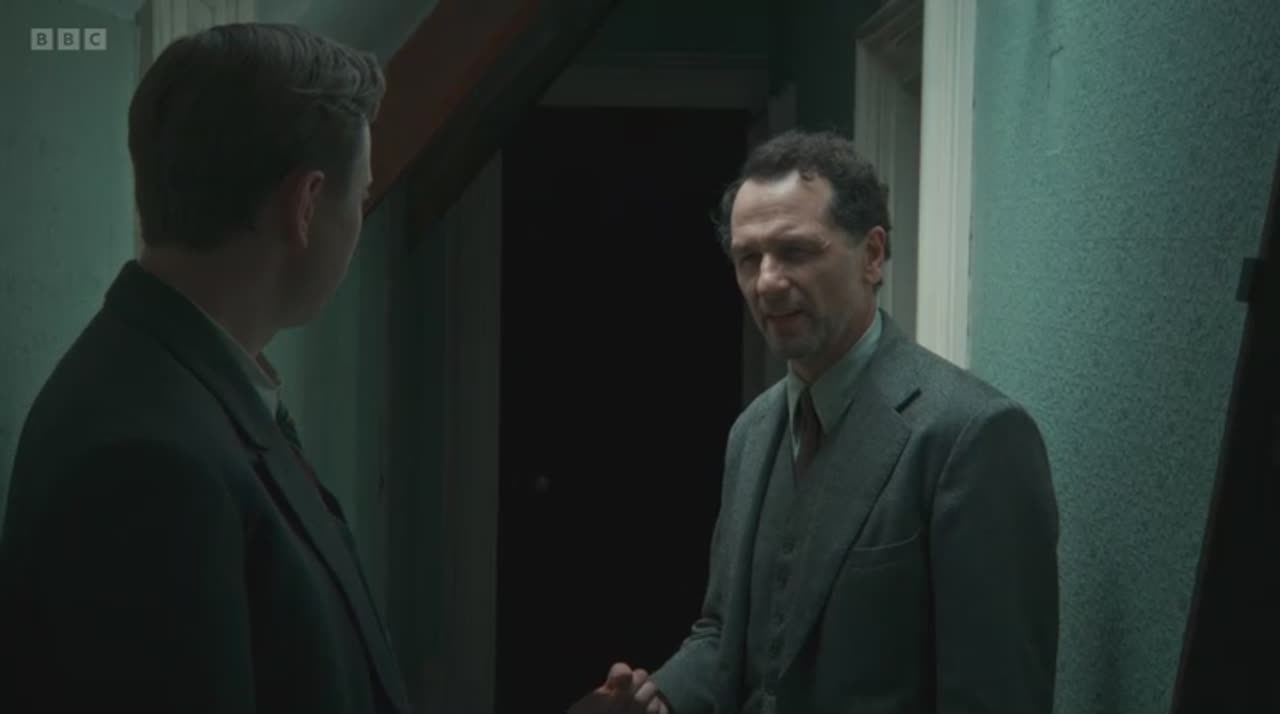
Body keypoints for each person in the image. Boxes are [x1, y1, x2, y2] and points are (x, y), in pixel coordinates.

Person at [0, 21, 646, 714]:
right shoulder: (147, 459)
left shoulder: (195, 389)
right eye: (360, 198)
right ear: (306, 205)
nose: (360, 219)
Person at [589, 130, 1060, 714]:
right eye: (748, 258)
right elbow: (723, 635)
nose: (766, 281)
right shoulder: (751, 433)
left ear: (872, 256)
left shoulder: (971, 436)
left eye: (795, 251)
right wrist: (660, 697)